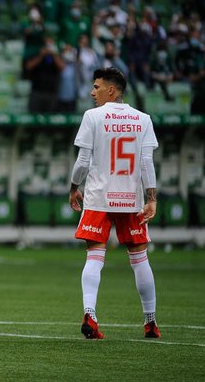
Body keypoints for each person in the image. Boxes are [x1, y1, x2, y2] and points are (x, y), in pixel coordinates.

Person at [69, 66, 160, 340]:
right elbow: (146, 163)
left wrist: (74, 187)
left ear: (111, 90)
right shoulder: (143, 119)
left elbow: (83, 161)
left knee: (95, 256)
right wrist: (151, 198)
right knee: (140, 259)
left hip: (98, 197)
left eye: (96, 87)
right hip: (131, 199)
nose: (92, 92)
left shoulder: (92, 117)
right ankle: (151, 322)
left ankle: (90, 314)